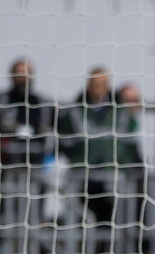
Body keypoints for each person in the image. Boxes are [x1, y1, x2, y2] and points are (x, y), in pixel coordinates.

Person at [57, 68, 141, 225]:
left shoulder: (122, 113)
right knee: (83, 221)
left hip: (114, 180)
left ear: (108, 86)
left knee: (114, 222)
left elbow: (130, 145)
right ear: (88, 85)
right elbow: (64, 143)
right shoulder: (75, 112)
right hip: (82, 180)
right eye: (95, 84)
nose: (98, 88)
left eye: (102, 84)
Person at [0, 58, 52, 178]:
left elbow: (54, 127)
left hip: (35, 157)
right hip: (4, 157)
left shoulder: (42, 103)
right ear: (12, 76)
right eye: (20, 74)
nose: (24, 78)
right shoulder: (2, 99)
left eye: (27, 73)